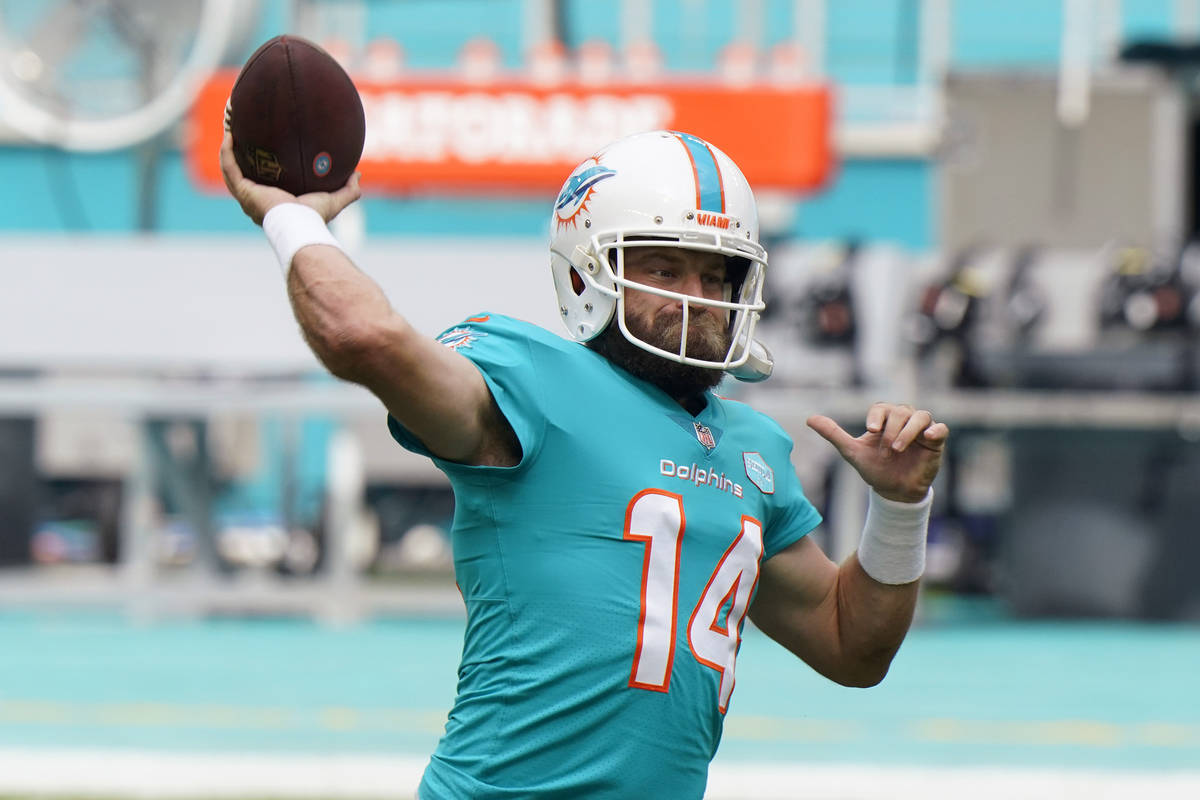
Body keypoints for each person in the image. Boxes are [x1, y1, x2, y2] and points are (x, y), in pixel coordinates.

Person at [221, 126, 948, 799]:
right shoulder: (529, 380)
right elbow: (362, 337)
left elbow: (854, 647)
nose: (695, 301)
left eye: (716, 277)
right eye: (664, 269)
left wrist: (900, 509)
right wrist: (291, 219)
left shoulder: (754, 450)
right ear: (585, 277)